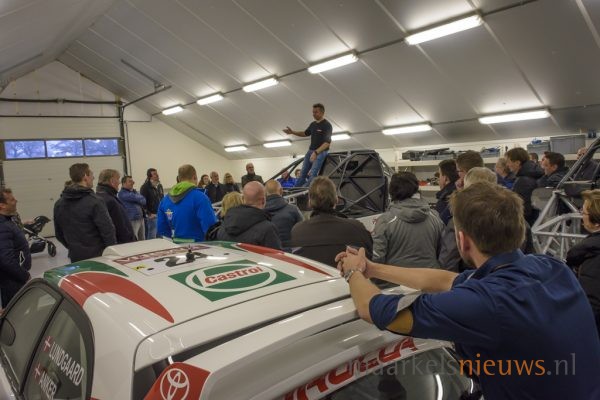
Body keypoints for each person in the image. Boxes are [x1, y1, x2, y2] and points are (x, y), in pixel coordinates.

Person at [336, 181, 600, 400]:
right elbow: (447, 280)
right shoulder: (550, 267)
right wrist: (373, 269)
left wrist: (352, 272)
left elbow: (373, 309)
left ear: (462, 240)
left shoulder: (487, 303)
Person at [291, 177, 372, 267]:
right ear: (336, 199)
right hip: (348, 276)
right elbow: (369, 261)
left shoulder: (296, 231)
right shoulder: (357, 228)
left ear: (309, 202)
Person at [373, 172, 443, 268]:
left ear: (391, 191)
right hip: (430, 275)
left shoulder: (385, 220)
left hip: (396, 276)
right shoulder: (435, 216)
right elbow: (444, 252)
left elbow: (377, 258)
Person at [54, 163, 116, 262]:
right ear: (85, 177)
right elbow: (108, 231)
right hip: (98, 256)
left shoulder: (59, 204)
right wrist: (111, 252)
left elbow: (59, 234)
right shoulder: (95, 201)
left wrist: (73, 247)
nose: (93, 178)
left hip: (75, 256)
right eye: (91, 174)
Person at [566, 189, 600, 337]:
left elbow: (592, 305)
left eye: (583, 212)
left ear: (596, 222)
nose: (581, 216)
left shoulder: (592, 255)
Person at [157, 164, 217, 243]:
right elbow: (210, 227)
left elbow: (162, 229)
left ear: (179, 179)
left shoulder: (164, 200)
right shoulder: (200, 197)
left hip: (176, 245)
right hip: (199, 246)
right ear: (195, 177)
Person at [216, 181, 282, 249]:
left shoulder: (225, 223)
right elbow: (275, 254)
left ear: (243, 199)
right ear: (263, 200)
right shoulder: (268, 228)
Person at [283, 103, 332, 187]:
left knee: (313, 174)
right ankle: (295, 190)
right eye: (313, 112)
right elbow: (305, 133)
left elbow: (327, 143)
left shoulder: (327, 125)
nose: (313, 114)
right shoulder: (313, 124)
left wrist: (316, 152)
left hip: (321, 152)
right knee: (302, 174)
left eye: (316, 112)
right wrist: (292, 132)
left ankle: (306, 191)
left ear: (322, 113)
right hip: (311, 151)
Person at [0, 188, 31, 308]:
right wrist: (24, 276)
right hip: (12, 281)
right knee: (18, 310)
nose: (16, 201)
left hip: (15, 277)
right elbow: (6, 259)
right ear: (2, 205)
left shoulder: (8, 221)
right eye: (12, 199)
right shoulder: (2, 226)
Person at [506, 147, 544, 225]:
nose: (507, 165)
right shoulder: (531, 175)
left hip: (526, 224)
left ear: (517, 162)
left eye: (509, 162)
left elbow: (523, 208)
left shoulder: (524, 180)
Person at [96, 169, 135, 244]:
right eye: (118, 179)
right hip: (122, 244)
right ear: (112, 181)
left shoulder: (101, 196)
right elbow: (120, 226)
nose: (119, 182)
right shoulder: (109, 200)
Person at [264, 180, 303, 250]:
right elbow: (303, 231)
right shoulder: (293, 209)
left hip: (267, 253)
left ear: (265, 193)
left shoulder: (259, 212)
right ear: (281, 191)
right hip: (290, 252)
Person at [118, 175, 146, 240]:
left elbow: (144, 200)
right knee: (134, 239)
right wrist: (138, 198)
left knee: (142, 239)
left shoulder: (134, 192)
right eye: (130, 181)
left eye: (132, 181)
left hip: (140, 218)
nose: (133, 183)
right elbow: (136, 198)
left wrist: (137, 198)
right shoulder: (122, 194)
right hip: (132, 220)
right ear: (124, 183)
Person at [140, 167, 164, 239]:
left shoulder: (159, 186)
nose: (157, 175)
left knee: (160, 236)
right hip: (152, 216)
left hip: (159, 214)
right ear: (149, 176)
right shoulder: (145, 187)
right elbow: (142, 202)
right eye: (154, 174)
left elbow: (161, 198)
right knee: (152, 237)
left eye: (157, 173)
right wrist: (149, 214)